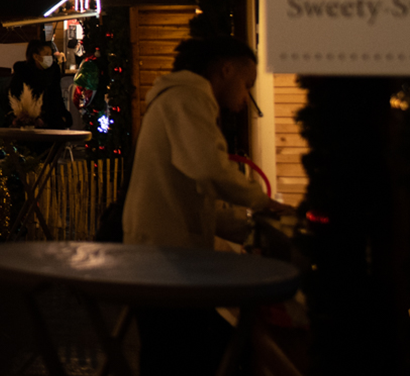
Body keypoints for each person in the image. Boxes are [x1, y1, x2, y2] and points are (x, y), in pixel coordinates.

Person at [123, 36, 294, 376]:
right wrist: (262, 202)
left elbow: (196, 194)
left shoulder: (178, 99)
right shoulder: (189, 99)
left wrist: (246, 226)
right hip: (163, 262)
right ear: (226, 70)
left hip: (157, 257)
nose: (245, 99)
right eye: (247, 85)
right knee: (185, 353)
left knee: (170, 353)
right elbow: (208, 168)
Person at [7, 40, 71, 129]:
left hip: (51, 122)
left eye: (50, 54)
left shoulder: (53, 72)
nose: (50, 57)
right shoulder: (22, 72)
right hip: (28, 123)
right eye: (46, 54)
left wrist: (63, 116)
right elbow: (12, 95)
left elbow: (56, 97)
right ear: (36, 56)